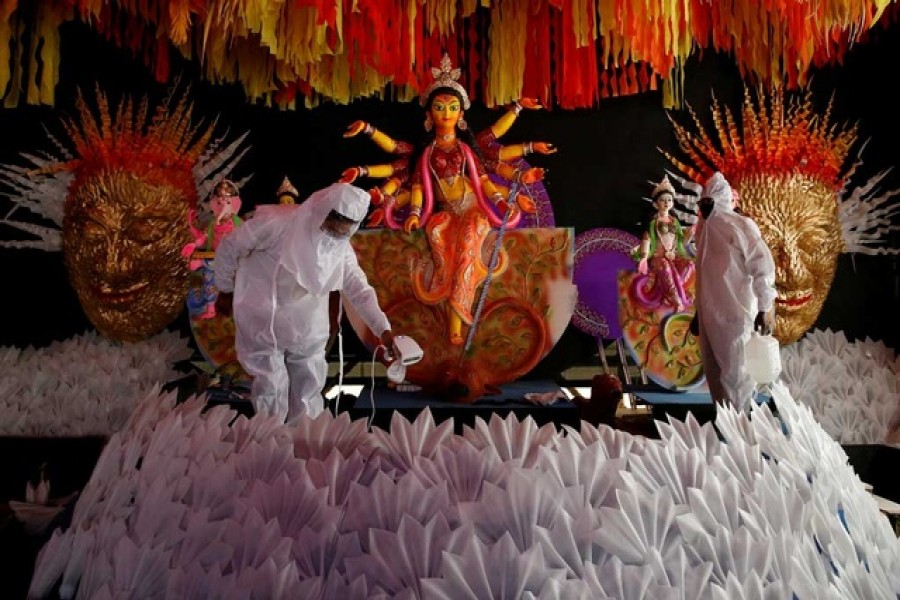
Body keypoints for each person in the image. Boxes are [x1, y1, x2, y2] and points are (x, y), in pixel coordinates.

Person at [343, 53, 556, 345]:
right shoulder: (426, 153)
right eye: (440, 107)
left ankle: (457, 324)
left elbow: (482, 180)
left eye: (453, 107)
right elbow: (417, 185)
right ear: (429, 115)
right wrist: (415, 213)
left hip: (472, 212)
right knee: (438, 240)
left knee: (467, 248)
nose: (446, 113)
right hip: (443, 213)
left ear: (461, 115)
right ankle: (445, 308)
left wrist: (504, 200)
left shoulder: (468, 150)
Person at [213, 182, 398, 422]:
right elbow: (229, 247)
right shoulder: (277, 224)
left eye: (346, 228)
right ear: (324, 211)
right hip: (263, 319)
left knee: (308, 392)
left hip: (307, 326)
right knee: (270, 389)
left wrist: (383, 329)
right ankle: (270, 446)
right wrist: (225, 288)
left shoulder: (340, 247)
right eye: (336, 223)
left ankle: (305, 448)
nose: (337, 232)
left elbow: (359, 290)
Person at [690, 172, 776, 409]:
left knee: (737, 377)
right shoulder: (703, 231)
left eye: (708, 203)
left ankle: (742, 435)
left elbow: (762, 266)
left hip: (737, 315)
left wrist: (765, 306)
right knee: (715, 376)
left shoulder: (740, 225)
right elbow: (704, 278)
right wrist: (699, 314)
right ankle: (726, 431)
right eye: (702, 204)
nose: (704, 209)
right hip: (710, 316)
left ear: (720, 200)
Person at [633, 175, 694, 312]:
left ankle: (672, 290)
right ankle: (677, 300)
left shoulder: (674, 222)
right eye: (662, 200)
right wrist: (643, 256)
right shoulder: (654, 223)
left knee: (689, 265)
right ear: (655, 204)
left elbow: (680, 244)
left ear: (673, 203)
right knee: (665, 266)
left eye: (669, 200)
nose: (666, 203)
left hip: (673, 255)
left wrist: (688, 236)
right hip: (658, 258)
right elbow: (646, 239)